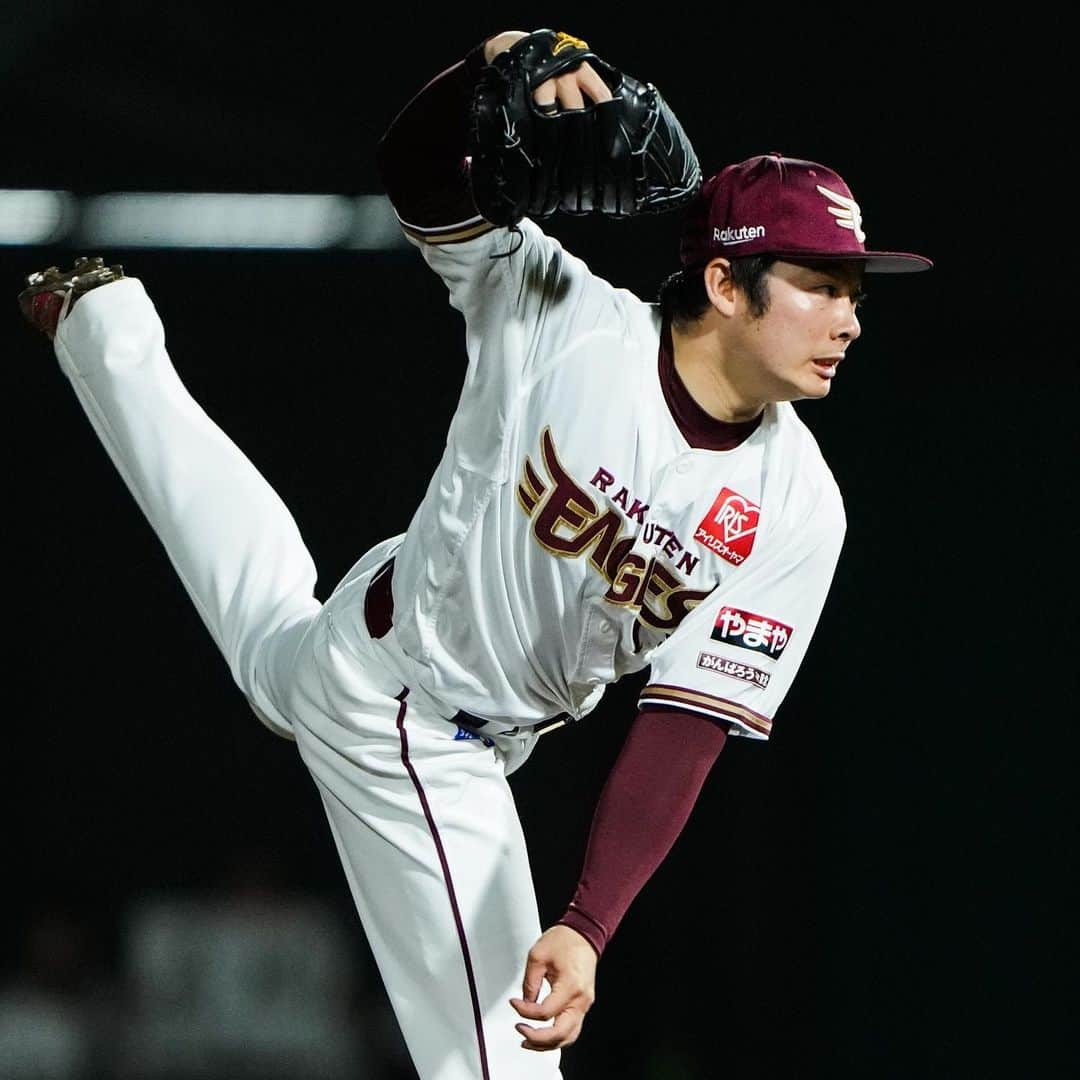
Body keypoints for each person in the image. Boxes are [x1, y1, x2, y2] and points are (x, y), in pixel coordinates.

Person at [19, 27, 931, 1080]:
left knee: (272, 641)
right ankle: (112, 346)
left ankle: (107, 338)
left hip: (397, 650)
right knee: (502, 1072)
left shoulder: (800, 504)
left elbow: (687, 724)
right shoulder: (565, 318)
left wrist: (591, 918)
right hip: (415, 721)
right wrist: (486, 66)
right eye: (820, 285)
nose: (848, 319)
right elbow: (414, 177)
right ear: (728, 285)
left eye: (855, 290)